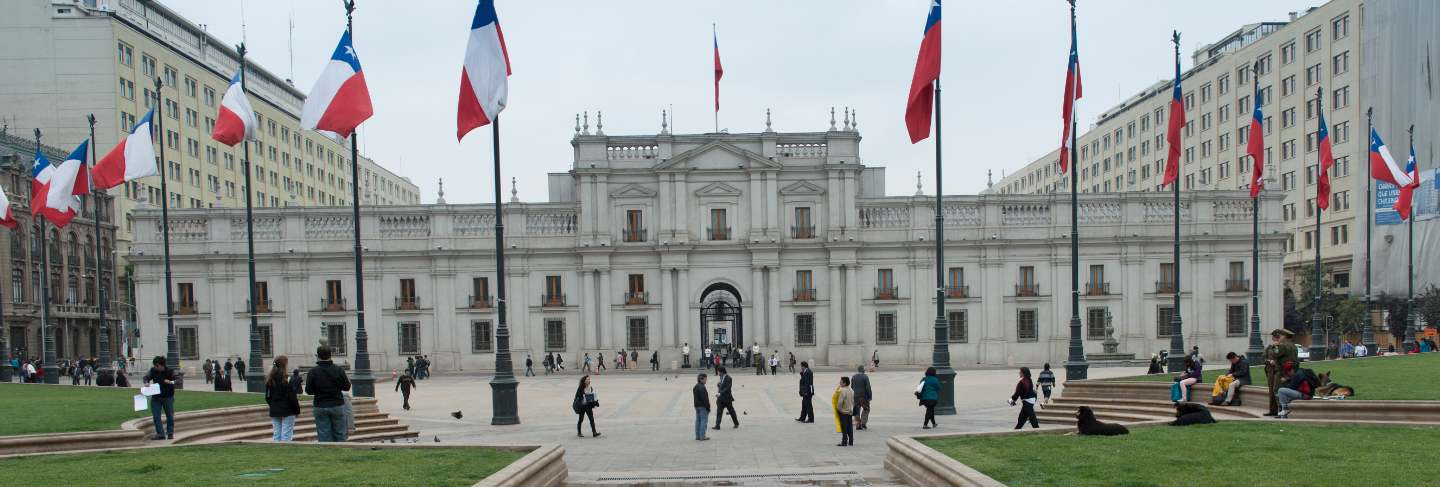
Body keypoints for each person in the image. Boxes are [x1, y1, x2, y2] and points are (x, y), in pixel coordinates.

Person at [306, 346, 352, 442]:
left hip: (320, 404)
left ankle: (327, 452)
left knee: (323, 434)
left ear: (318, 356)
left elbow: (309, 391)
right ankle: (341, 452)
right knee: (340, 432)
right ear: (330, 355)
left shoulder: (313, 372)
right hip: (337, 404)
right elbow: (347, 387)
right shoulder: (338, 370)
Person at [1262, 329, 1298, 416]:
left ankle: (1281, 410)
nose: (1279, 338)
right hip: (1289, 371)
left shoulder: (1283, 346)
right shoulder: (1293, 346)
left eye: (1280, 336)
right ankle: (1276, 410)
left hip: (1281, 371)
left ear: (1284, 336)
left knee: (1277, 390)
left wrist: (1275, 347)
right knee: (1278, 390)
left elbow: (1275, 354)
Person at [265, 356, 301, 442]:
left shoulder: (270, 379)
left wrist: (273, 405)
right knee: (286, 435)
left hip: (275, 409)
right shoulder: (287, 379)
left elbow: (267, 397)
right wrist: (297, 410)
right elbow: (292, 397)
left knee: (277, 434)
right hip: (288, 410)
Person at [143, 356, 178, 440]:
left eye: (156, 366)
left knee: (169, 415)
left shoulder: (170, 371)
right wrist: (146, 382)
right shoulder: (153, 370)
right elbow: (146, 377)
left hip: (168, 397)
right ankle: (160, 434)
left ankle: (170, 433)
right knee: (156, 416)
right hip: (156, 397)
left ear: (160, 365)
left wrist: (171, 382)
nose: (155, 367)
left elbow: (178, 379)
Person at [834, 376, 855, 447]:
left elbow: (840, 402)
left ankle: (844, 441)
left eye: (841, 382)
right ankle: (851, 441)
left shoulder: (842, 390)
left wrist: (838, 409)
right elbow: (853, 401)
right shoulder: (851, 390)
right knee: (850, 427)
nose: (840, 383)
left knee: (844, 427)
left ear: (844, 383)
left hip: (843, 411)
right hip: (850, 411)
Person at [851, 365, 872, 430]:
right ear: (862, 370)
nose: (865, 370)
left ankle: (858, 424)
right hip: (864, 396)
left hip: (856, 396)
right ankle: (863, 423)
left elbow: (852, 386)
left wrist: (856, 391)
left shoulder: (854, 376)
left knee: (856, 410)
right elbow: (868, 387)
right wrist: (870, 396)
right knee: (866, 409)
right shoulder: (865, 377)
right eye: (864, 369)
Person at [693, 373, 711, 441]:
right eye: (705, 379)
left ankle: (697, 436)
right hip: (703, 406)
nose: (706, 380)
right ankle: (702, 436)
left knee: (698, 421)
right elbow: (705, 399)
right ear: (701, 379)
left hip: (697, 406)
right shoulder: (702, 387)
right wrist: (708, 407)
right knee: (704, 421)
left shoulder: (695, 386)